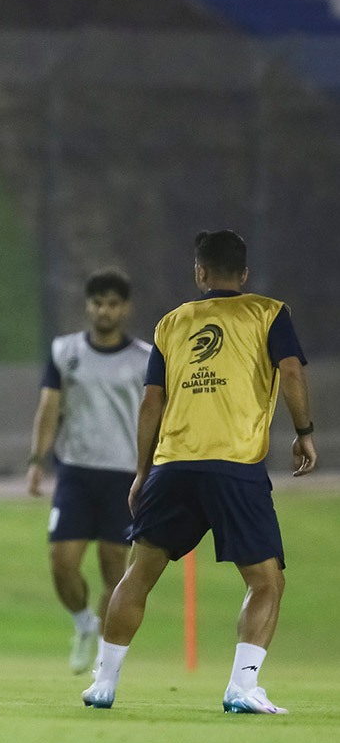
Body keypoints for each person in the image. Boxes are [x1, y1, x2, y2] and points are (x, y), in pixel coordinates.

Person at [82, 230, 316, 714]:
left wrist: (142, 471)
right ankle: (242, 687)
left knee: (137, 575)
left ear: (200, 272)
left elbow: (151, 401)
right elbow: (291, 371)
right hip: (235, 466)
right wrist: (304, 432)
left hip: (173, 467)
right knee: (266, 582)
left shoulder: (171, 323)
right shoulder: (269, 313)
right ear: (244, 273)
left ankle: (103, 683)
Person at [27, 268, 150, 674]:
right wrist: (37, 461)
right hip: (76, 472)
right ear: (88, 306)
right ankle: (83, 624)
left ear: (125, 308)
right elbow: (49, 408)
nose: (104, 311)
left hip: (124, 475)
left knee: (115, 568)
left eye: (113, 304)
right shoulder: (66, 351)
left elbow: (158, 413)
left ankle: (103, 657)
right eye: (98, 303)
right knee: (62, 563)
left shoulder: (145, 358)